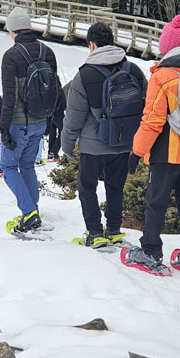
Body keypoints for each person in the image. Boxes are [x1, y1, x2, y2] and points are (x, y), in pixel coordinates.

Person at [124, 14, 180, 281]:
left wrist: (137, 151)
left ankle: (150, 252)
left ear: (166, 46)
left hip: (169, 152)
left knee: (156, 202)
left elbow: (152, 121)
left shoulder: (163, 76)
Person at [59, 22, 146, 248]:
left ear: (92, 44)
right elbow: (146, 106)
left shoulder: (84, 75)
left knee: (87, 188)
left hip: (93, 146)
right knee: (115, 187)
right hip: (125, 142)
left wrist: (67, 145)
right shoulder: (133, 70)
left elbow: (74, 118)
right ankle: (114, 229)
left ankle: (95, 233)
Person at [0, 6, 58, 234]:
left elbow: (10, 97)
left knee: (8, 166)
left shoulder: (11, 56)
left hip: (18, 124)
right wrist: (52, 121)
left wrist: (3, 128)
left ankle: (29, 212)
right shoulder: (47, 51)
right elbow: (54, 90)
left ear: (13, 30)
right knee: (27, 165)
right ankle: (32, 210)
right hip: (40, 121)